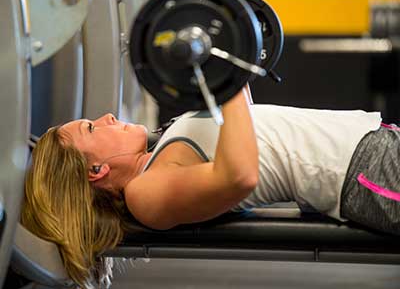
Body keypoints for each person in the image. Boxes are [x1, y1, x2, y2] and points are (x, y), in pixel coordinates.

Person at [22, 83, 399, 288]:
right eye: (91, 128)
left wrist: (228, 66)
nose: (105, 117)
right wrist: (226, 76)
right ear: (96, 171)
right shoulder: (145, 194)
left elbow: (244, 121)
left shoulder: (159, 153)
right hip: (364, 172)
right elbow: (240, 175)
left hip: (376, 144)